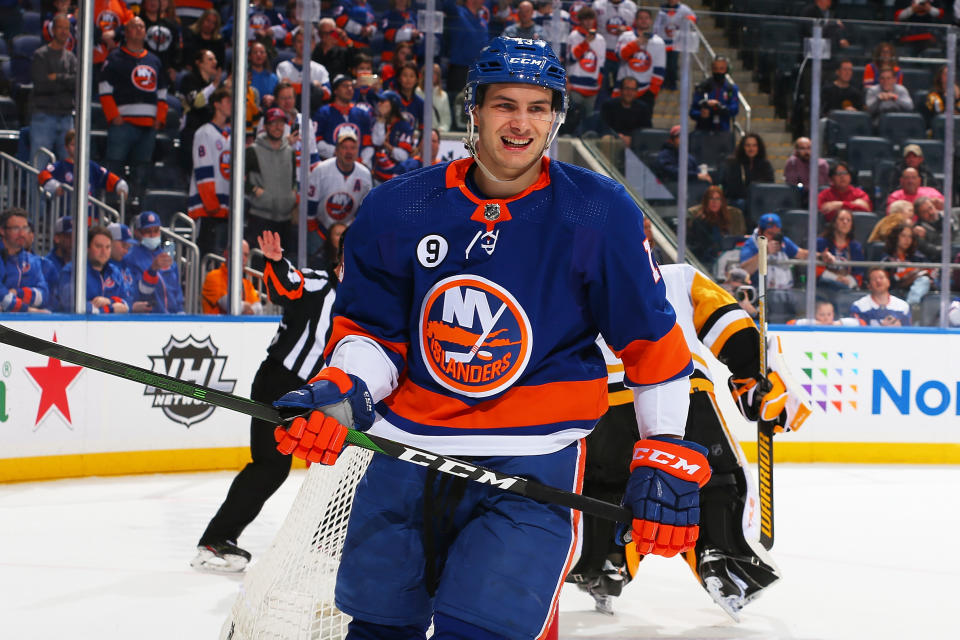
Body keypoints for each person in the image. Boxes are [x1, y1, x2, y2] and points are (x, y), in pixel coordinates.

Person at [269, 37, 705, 639]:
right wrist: (342, 390)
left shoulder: (597, 212)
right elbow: (373, 334)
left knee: (482, 634)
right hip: (404, 452)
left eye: (536, 107)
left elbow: (650, 343)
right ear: (474, 110)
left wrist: (666, 447)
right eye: (504, 105)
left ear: (555, 117)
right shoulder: (400, 207)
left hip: (530, 463)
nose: (520, 123)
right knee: (375, 630)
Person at [568, 261, 807, 619]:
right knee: (714, 480)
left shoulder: (569, 275)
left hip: (601, 400)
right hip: (680, 389)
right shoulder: (677, 275)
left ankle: (605, 558)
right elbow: (728, 322)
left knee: (606, 485)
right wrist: (752, 373)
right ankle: (723, 557)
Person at [192, 230, 339, 572]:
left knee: (333, 463)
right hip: (283, 384)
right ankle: (218, 540)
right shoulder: (320, 282)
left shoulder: (362, 297)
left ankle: (327, 541)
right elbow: (290, 283)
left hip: (316, 393)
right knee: (272, 466)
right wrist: (275, 261)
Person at [99, 17, 168, 196]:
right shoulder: (115, 58)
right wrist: (113, 116)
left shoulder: (154, 60)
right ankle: (112, 206)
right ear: (126, 32)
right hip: (123, 124)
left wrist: (160, 118)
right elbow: (104, 89)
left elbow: (162, 93)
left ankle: (139, 208)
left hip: (148, 126)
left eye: (142, 26)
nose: (138, 29)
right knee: (114, 165)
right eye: (134, 26)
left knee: (143, 169)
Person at [307, 127, 372, 252]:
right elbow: (311, 201)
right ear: (336, 150)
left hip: (348, 230)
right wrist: (312, 226)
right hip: (321, 227)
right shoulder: (321, 170)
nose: (349, 152)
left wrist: (355, 227)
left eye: (353, 148)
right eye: (344, 147)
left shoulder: (364, 174)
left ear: (357, 151)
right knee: (315, 263)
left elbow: (364, 206)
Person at [245, 107, 298, 254]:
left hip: (285, 219)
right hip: (260, 218)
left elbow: (293, 178)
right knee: (259, 265)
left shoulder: (290, 151)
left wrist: (292, 194)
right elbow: (238, 180)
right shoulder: (253, 150)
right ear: (266, 126)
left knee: (282, 268)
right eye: (273, 123)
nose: (277, 127)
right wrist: (256, 191)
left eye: (281, 124)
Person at [188, 87, 232, 257]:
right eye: (228, 101)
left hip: (225, 209)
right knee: (206, 253)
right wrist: (212, 205)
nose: (231, 105)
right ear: (217, 105)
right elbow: (203, 170)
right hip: (208, 210)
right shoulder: (204, 133)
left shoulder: (230, 136)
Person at [30, 13, 77, 169]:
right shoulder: (40, 55)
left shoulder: (71, 58)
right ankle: (36, 195)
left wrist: (56, 77)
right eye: (60, 28)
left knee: (68, 168)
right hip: (43, 117)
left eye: (67, 28)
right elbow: (42, 86)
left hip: (66, 117)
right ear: (53, 30)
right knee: (40, 168)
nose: (64, 32)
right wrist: (66, 81)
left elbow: (76, 84)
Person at [38, 129, 129, 204]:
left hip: (91, 217)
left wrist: (120, 186)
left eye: (79, 144)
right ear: (66, 147)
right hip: (67, 216)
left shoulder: (91, 166)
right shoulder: (60, 166)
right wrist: (55, 186)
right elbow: (43, 174)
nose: (77, 148)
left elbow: (109, 177)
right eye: (73, 145)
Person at [56, 226, 131, 314]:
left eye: (107, 247)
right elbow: (71, 304)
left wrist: (109, 301)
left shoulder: (115, 272)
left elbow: (127, 303)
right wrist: (109, 309)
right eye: (99, 246)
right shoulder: (72, 271)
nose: (104, 251)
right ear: (87, 248)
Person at [124, 210, 184, 314]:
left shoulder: (166, 256)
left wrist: (180, 311)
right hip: (148, 319)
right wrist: (152, 270)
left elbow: (176, 289)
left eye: (156, 230)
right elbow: (137, 294)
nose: (152, 235)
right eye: (147, 231)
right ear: (138, 233)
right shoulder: (130, 258)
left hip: (172, 318)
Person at [178, 49, 225, 169]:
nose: (215, 62)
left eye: (215, 59)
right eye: (210, 59)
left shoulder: (216, 85)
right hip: (192, 132)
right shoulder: (189, 79)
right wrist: (214, 86)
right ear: (199, 63)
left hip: (211, 132)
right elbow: (196, 103)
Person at [739, 213, 811, 290]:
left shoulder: (782, 240)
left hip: (786, 291)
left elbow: (802, 254)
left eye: (777, 233)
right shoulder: (751, 244)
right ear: (760, 231)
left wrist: (820, 256)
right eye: (770, 233)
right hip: (761, 292)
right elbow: (745, 271)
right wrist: (764, 252)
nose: (774, 237)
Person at [0, 208, 50, 313]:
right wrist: (28, 309)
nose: (22, 234)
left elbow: (44, 296)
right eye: (16, 228)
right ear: (2, 230)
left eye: (25, 228)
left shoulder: (32, 261)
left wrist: (19, 293)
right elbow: (1, 296)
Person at [615, 9, 666, 113]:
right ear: (636, 20)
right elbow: (620, 55)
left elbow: (659, 70)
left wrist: (652, 92)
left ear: (651, 21)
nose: (643, 20)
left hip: (645, 92)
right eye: (641, 18)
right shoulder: (625, 36)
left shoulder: (658, 42)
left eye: (646, 18)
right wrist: (636, 43)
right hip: (623, 90)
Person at [686, 185, 745, 269]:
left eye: (718, 199)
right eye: (711, 198)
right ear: (706, 201)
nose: (714, 202)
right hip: (707, 260)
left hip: (729, 257)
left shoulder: (730, 217)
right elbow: (702, 247)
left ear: (722, 201)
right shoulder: (699, 221)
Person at [566, 6, 607, 120]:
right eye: (585, 19)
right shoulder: (574, 36)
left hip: (592, 87)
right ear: (580, 20)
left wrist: (598, 83)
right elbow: (572, 58)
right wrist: (585, 43)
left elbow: (601, 65)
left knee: (589, 119)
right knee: (573, 117)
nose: (589, 22)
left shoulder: (600, 39)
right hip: (575, 86)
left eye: (591, 19)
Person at [201, 240, 263, 315]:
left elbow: (259, 308)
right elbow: (230, 305)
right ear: (226, 254)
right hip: (217, 325)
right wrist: (246, 306)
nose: (243, 258)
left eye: (246, 255)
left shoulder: (247, 283)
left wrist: (244, 306)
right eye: (240, 253)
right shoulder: (213, 277)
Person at [720, 132, 775, 215]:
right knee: (742, 204)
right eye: (748, 145)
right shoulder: (733, 163)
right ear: (743, 147)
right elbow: (731, 188)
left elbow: (768, 185)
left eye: (754, 145)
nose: (751, 148)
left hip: (759, 200)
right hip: (738, 200)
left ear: (759, 147)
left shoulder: (765, 165)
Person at [276, 27, 332, 106]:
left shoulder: (320, 69)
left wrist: (293, 86)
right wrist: (313, 87)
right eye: (299, 41)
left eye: (307, 42)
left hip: (313, 112)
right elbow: (280, 93)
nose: (303, 45)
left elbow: (327, 95)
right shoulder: (283, 67)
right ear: (294, 44)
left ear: (313, 44)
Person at [881, 223, 933, 306]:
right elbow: (886, 282)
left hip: (916, 289)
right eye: (903, 236)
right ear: (895, 237)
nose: (907, 239)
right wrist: (907, 275)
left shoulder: (918, 256)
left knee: (924, 280)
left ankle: (909, 306)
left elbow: (930, 271)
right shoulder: (887, 258)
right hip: (895, 292)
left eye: (910, 236)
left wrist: (912, 274)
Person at [816, 208, 864, 291]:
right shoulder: (820, 242)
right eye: (841, 219)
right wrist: (835, 278)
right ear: (834, 223)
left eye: (848, 220)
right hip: (824, 287)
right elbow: (815, 270)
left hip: (847, 288)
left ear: (851, 225)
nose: (845, 222)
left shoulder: (856, 247)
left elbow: (859, 275)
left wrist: (849, 281)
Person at [653, 0, 696, 91]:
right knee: (663, 63)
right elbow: (657, 24)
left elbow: (694, 19)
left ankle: (672, 83)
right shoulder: (662, 9)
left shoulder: (684, 9)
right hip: (663, 41)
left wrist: (690, 19)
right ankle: (663, 83)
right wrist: (655, 36)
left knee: (673, 64)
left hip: (676, 42)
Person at [690, 56, 739, 132]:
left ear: (726, 70)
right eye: (715, 69)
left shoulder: (731, 89)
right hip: (703, 130)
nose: (718, 72)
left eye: (721, 69)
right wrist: (701, 114)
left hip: (723, 130)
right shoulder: (703, 87)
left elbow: (734, 109)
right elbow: (693, 111)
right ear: (712, 69)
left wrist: (721, 108)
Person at [600, 77, 652, 144]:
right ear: (620, 90)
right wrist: (618, 137)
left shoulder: (643, 108)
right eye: (627, 89)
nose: (629, 92)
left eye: (633, 89)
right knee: (606, 139)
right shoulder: (608, 105)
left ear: (636, 92)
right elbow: (604, 127)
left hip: (635, 142)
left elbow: (646, 130)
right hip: (613, 141)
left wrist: (632, 138)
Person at [181, 8, 225, 74]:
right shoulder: (190, 34)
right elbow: (185, 56)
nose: (209, 25)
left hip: (211, 72)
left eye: (213, 23)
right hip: (191, 70)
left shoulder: (218, 41)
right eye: (208, 21)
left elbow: (220, 63)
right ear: (202, 20)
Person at [912, 195, 948, 260]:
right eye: (924, 212)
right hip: (937, 262)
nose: (930, 213)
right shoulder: (918, 229)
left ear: (934, 206)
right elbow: (929, 250)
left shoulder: (949, 216)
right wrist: (952, 249)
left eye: (930, 208)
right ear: (918, 215)